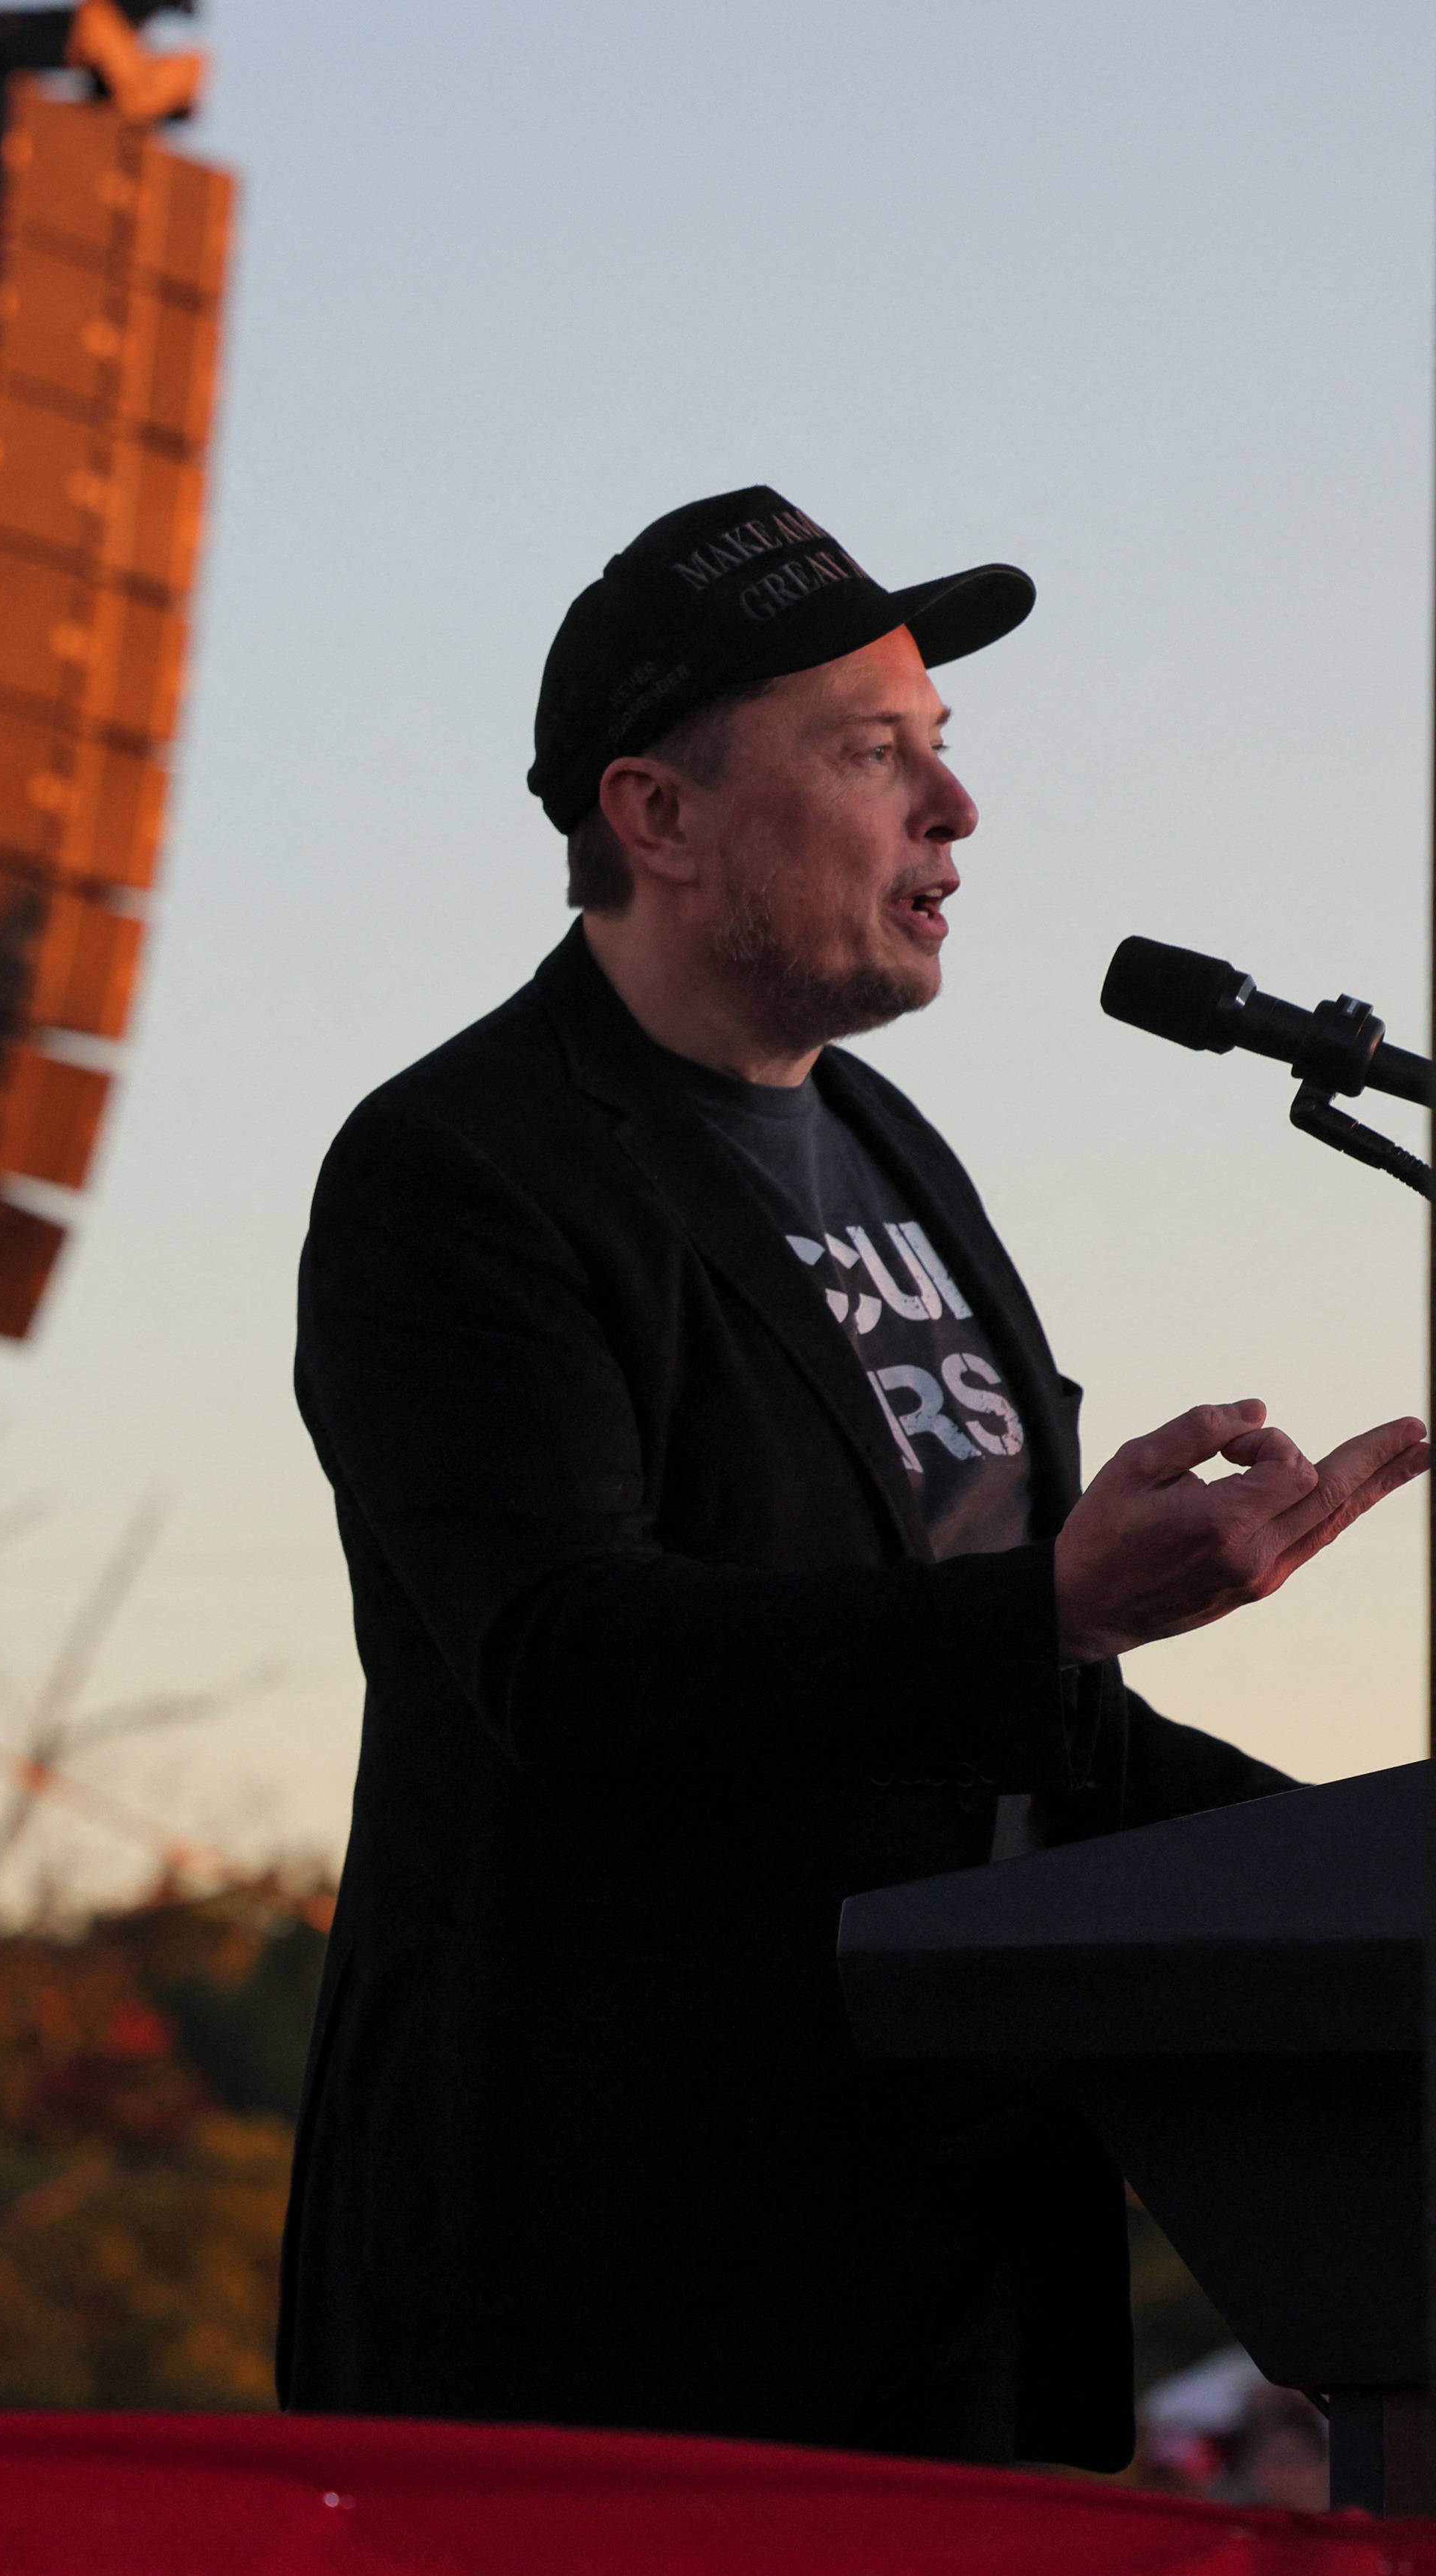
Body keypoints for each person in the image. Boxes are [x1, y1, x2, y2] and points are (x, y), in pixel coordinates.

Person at [279, 486, 1426, 2469]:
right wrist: (1044, 1606)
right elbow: (564, 1655)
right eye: (871, 752)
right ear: (660, 817)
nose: (953, 815)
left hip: (966, 2282)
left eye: (944, 751)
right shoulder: (459, 1173)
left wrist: (1367, 1867)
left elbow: (1009, 1735)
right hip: (620, 2307)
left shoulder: (897, 1152)